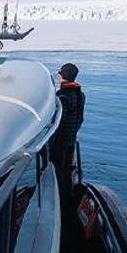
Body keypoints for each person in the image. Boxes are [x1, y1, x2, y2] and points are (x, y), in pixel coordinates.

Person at [48, 63, 85, 212]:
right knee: (66, 170)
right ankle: (68, 200)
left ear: (62, 76)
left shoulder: (62, 96)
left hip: (61, 141)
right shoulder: (80, 94)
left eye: (60, 73)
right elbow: (80, 118)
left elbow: (58, 121)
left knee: (59, 171)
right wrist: (73, 132)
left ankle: (61, 203)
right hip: (71, 138)